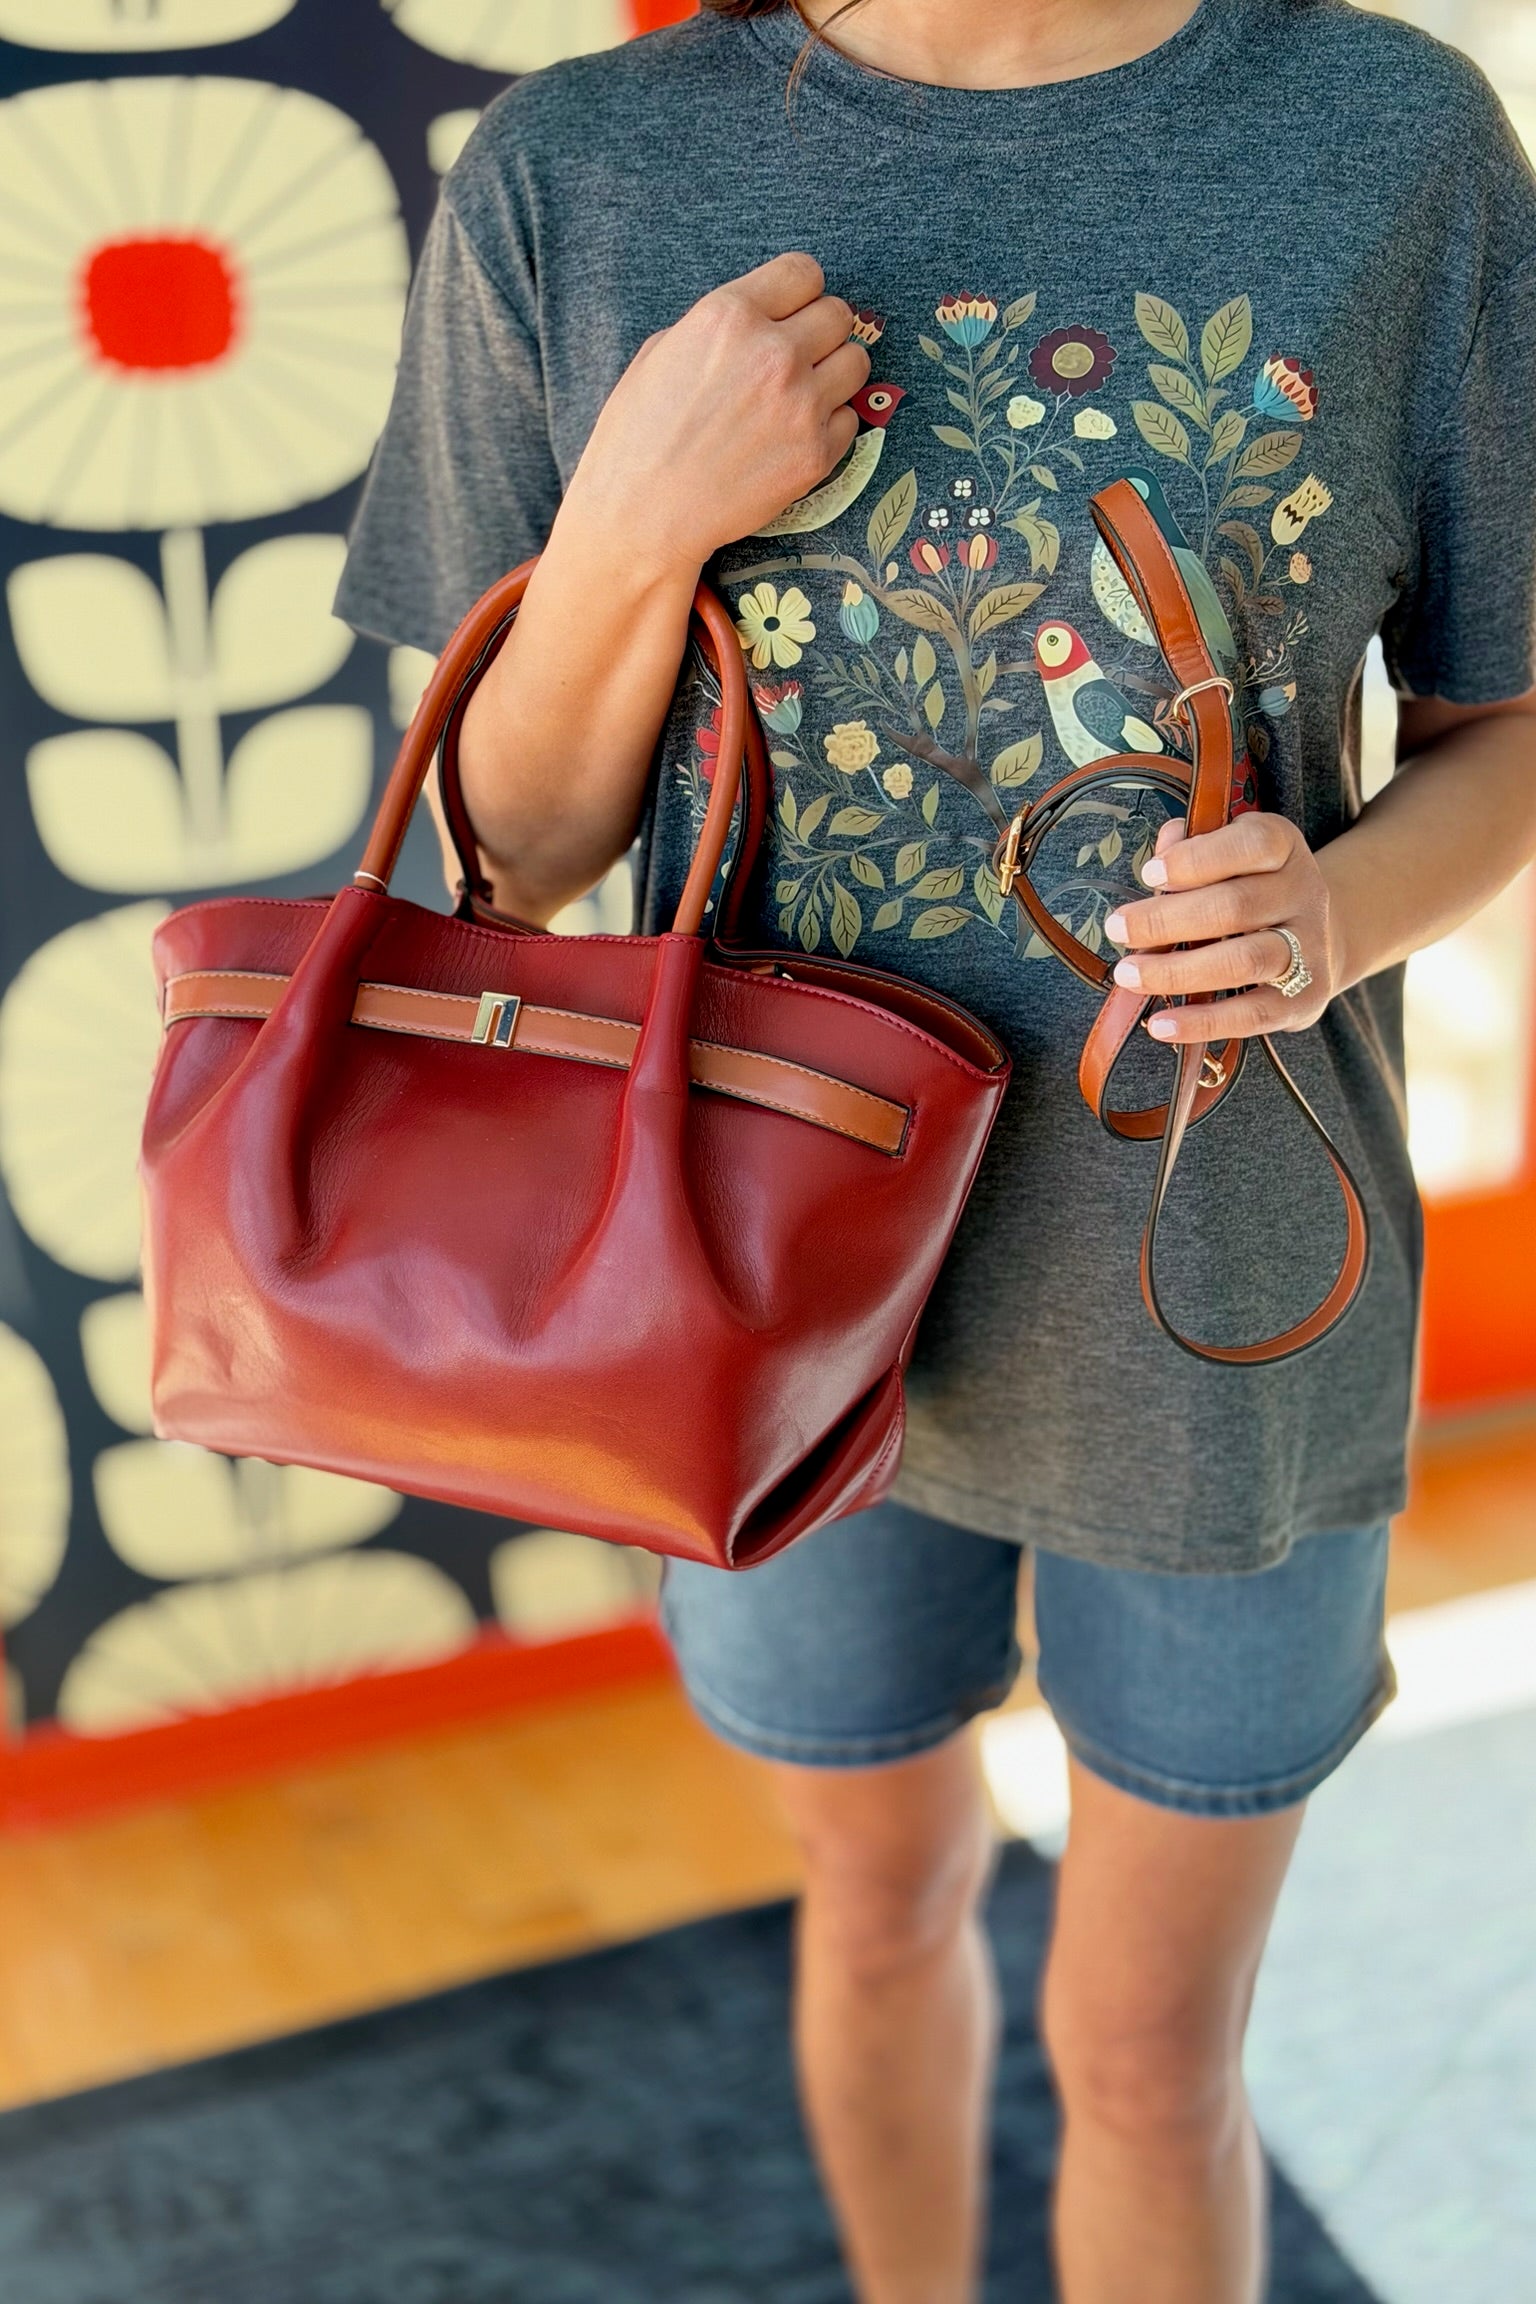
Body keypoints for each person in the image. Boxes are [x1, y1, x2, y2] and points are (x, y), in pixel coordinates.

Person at [336, 2, 1536, 2296]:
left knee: (1149, 2050)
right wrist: (631, 523)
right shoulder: (580, 173)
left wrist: (1333, 910)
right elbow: (507, 857)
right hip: (751, 1292)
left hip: (1219, 1276)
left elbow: (1509, 717)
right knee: (877, 1914)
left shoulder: (1391, 142)